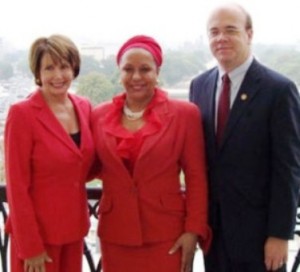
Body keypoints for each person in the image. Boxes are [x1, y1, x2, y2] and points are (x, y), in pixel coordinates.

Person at [189, 3, 300, 272]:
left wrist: (279, 234)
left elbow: (288, 168)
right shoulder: (199, 86)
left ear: (249, 34)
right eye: (214, 32)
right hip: (214, 233)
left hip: (259, 235)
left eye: (230, 30)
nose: (221, 38)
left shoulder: (279, 90)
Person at [91, 35, 211, 272]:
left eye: (145, 69)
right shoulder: (98, 115)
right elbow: (87, 166)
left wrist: (193, 230)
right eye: (128, 69)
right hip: (116, 234)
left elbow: (196, 176)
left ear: (157, 72)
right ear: (120, 73)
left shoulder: (185, 114)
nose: (136, 77)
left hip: (167, 234)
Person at [4, 34, 95, 272]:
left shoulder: (84, 107)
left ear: (74, 67)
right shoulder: (22, 114)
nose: (58, 75)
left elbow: (90, 163)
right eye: (49, 67)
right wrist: (30, 245)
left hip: (74, 232)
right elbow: (16, 186)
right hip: (38, 238)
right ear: (38, 73)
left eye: (64, 66)